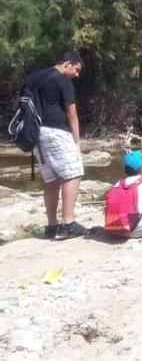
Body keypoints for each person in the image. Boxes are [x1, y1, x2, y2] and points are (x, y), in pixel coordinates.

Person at [25, 51, 87, 239]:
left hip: (37, 133)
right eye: (76, 70)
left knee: (51, 180)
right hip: (55, 131)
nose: (76, 75)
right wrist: (76, 142)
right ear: (67, 64)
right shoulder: (62, 81)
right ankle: (68, 223)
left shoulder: (33, 78)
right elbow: (71, 113)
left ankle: (52, 226)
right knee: (74, 172)